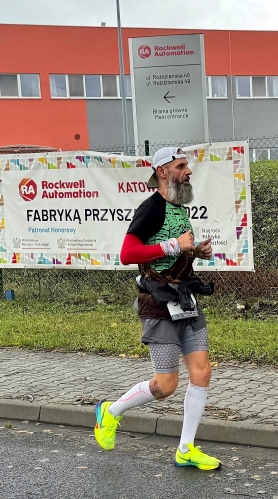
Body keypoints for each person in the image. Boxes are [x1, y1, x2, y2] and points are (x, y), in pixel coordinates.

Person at [94, 146, 220, 471]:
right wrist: (174, 245)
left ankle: (186, 449)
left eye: (187, 166)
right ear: (162, 172)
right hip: (157, 302)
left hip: (185, 297)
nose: (188, 171)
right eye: (181, 166)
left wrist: (195, 252)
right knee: (165, 386)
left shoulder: (179, 208)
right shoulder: (151, 208)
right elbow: (127, 254)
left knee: (202, 371)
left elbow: (173, 252)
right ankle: (110, 412)